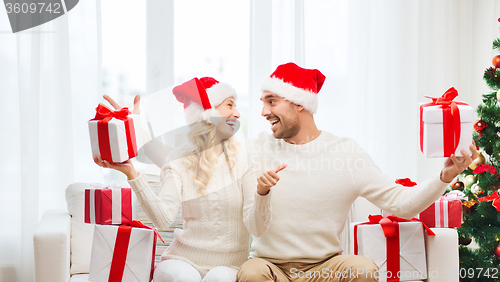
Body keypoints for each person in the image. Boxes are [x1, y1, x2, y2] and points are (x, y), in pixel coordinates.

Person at [237, 62, 478, 282]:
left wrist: (444, 176)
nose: (263, 112)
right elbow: (255, 229)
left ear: (299, 103)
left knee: (362, 269)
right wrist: (262, 193)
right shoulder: (255, 149)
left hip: (325, 267)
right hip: (269, 267)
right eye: (263, 102)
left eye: (271, 101)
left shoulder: (345, 153)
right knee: (251, 272)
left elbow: (404, 204)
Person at [94, 77, 286, 282]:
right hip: (181, 261)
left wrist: (262, 193)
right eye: (229, 105)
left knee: (219, 278)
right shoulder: (178, 160)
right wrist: (133, 174)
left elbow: (256, 228)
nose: (238, 114)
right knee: (186, 278)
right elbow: (163, 219)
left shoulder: (246, 158)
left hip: (228, 266)